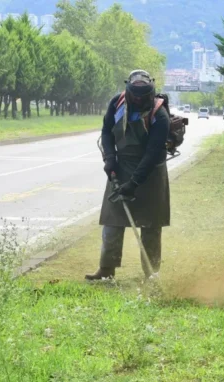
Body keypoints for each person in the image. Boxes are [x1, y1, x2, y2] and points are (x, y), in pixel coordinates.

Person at [86, 70, 171, 280]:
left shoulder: (159, 115)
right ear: (128, 90)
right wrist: (110, 160)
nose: (139, 99)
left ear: (151, 92)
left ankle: (151, 272)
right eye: (135, 95)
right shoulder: (118, 103)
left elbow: (152, 153)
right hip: (121, 165)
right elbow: (106, 131)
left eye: (144, 95)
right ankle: (106, 269)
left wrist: (134, 183)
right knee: (113, 219)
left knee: (151, 224)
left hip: (151, 172)